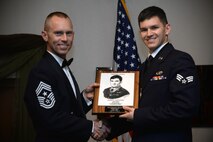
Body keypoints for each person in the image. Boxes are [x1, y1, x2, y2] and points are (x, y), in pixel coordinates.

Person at [104, 6, 200, 142]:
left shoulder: (179, 60)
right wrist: (106, 128)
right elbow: (135, 111)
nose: (149, 34)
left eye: (154, 27)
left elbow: (186, 108)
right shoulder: (142, 67)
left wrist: (138, 115)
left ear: (167, 29)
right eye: (144, 29)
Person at [24, 11, 108, 142]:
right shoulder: (41, 72)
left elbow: (67, 111)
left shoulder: (61, 67)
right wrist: (92, 126)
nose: (64, 38)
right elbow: (51, 119)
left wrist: (85, 98)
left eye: (68, 33)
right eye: (58, 33)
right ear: (45, 36)